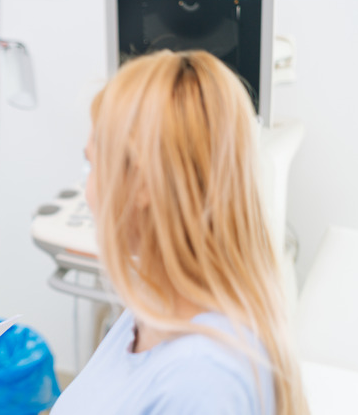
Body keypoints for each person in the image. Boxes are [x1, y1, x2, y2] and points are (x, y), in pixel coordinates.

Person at [50, 50, 308, 414]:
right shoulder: (152, 309)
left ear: (142, 184)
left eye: (92, 165)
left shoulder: (203, 380)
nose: (87, 190)